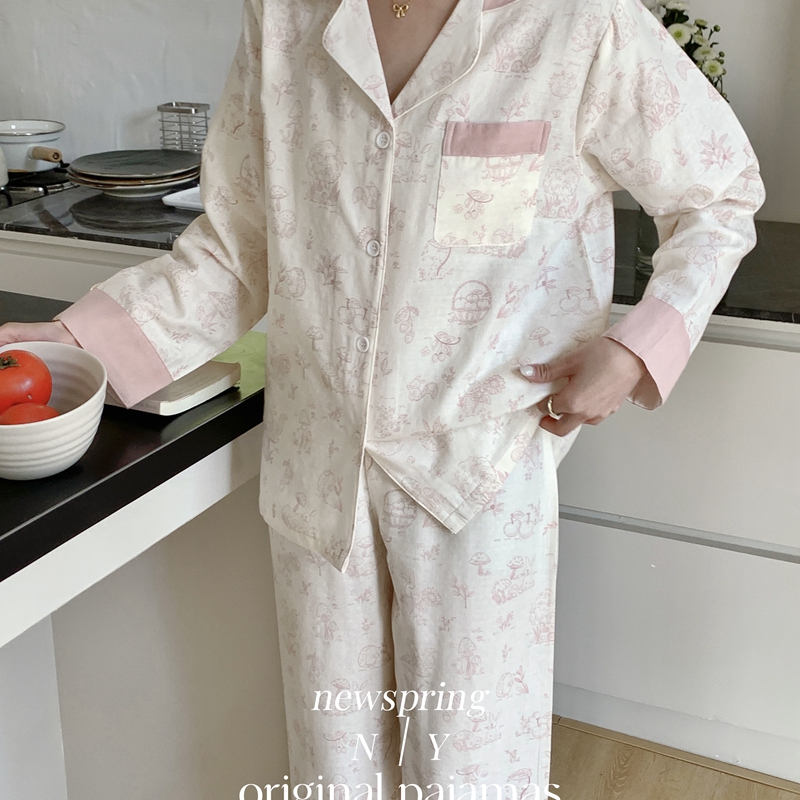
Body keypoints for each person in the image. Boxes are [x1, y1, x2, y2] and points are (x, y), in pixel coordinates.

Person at [0, 0, 765, 795]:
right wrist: (77, 340)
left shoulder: (578, 21)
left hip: (478, 476)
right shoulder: (284, 17)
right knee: (334, 766)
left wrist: (636, 351)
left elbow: (719, 194)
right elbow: (239, 247)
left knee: (470, 770)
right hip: (319, 468)